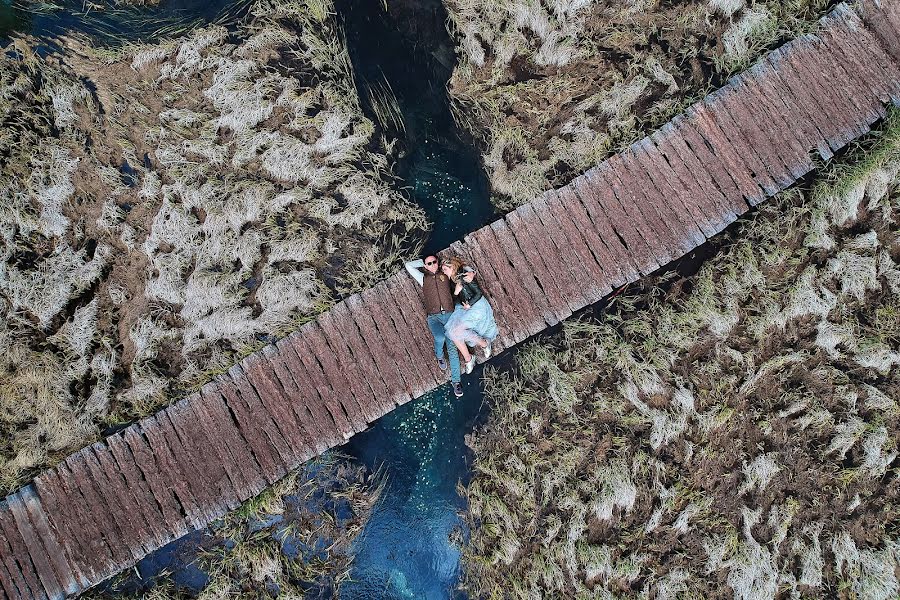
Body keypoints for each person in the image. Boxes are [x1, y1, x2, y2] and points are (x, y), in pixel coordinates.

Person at [404, 254, 467, 398]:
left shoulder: (444, 274)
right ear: (425, 266)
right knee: (440, 337)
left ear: (438, 263)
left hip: (450, 316)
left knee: (452, 349)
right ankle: (439, 355)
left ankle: (456, 382)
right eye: (429, 263)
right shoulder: (423, 279)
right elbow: (408, 266)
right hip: (434, 317)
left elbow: (457, 273)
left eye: (434, 262)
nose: (432, 265)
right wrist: (422, 262)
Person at [441, 257, 498, 374]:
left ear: (452, 267)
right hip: (464, 309)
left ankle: (483, 344)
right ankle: (469, 358)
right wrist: (456, 292)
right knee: (452, 332)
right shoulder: (452, 281)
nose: (444, 272)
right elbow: (455, 299)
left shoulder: (465, 275)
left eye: (445, 269)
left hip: (477, 306)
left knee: (455, 331)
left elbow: (478, 293)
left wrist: (469, 304)